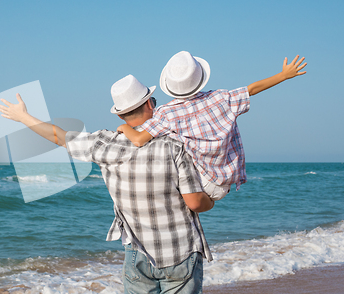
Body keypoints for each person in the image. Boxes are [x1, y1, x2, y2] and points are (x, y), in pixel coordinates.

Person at [0, 74, 215, 294]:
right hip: (180, 251)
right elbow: (194, 202)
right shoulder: (174, 145)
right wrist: (211, 200)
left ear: (120, 115)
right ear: (151, 104)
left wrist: (23, 116)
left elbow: (58, 136)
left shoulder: (104, 144)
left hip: (138, 253)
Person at [117, 52, 307, 200]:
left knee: (168, 142)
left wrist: (123, 128)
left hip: (200, 183)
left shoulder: (167, 113)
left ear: (169, 84)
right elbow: (251, 89)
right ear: (199, 78)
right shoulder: (221, 98)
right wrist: (283, 75)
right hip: (224, 182)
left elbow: (139, 140)